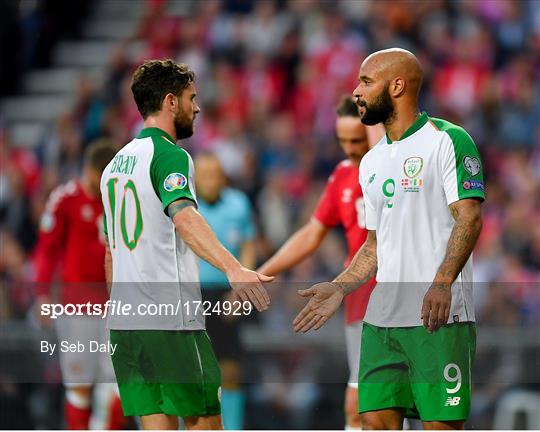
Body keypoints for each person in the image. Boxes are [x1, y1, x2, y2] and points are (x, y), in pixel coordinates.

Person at [293, 48, 484, 430]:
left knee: (440, 426)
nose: (357, 91)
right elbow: (374, 245)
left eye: (365, 81)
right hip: (380, 320)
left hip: (437, 319)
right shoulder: (372, 161)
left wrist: (442, 282)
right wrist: (340, 286)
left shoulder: (447, 141)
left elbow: (470, 217)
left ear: (397, 85)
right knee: (373, 422)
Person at [100, 59, 273, 431]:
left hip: (126, 324)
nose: (197, 107)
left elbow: (111, 254)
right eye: (191, 98)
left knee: (156, 424)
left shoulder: (113, 166)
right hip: (170, 320)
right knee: (204, 422)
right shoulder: (170, 156)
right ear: (170, 102)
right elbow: (186, 218)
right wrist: (234, 268)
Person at [257, 95, 383, 429]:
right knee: (362, 406)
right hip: (358, 299)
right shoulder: (342, 175)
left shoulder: (391, 169)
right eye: (343, 141)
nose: (351, 148)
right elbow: (312, 232)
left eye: (358, 139)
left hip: (399, 296)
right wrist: (260, 273)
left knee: (386, 403)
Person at [34, 139, 127, 430]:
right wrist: (42, 295)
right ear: (87, 170)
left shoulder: (122, 199)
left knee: (120, 389)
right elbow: (47, 250)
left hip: (117, 306)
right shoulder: (65, 198)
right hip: (78, 308)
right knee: (79, 386)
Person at [195, 152, 257, 430]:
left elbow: (249, 244)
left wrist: (241, 289)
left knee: (230, 370)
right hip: (192, 295)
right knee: (192, 373)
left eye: (215, 175)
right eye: (204, 175)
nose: (210, 181)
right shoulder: (185, 208)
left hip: (227, 295)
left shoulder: (238, 204)